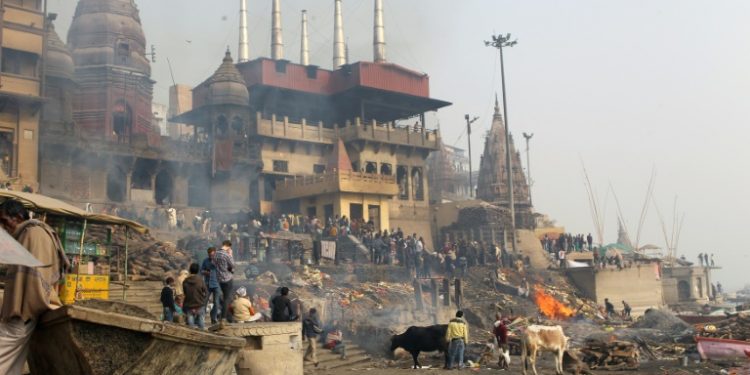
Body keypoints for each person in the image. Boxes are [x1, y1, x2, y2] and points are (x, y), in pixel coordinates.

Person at [0, 200, 67, 375]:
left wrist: (28, 310)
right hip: (20, 313)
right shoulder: (26, 234)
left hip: (23, 314)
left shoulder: (34, 234)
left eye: (4, 221)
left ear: (17, 217)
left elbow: (36, 278)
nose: (4, 227)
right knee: (11, 364)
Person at [182, 263, 208, 329]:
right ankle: (202, 337)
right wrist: (203, 299)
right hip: (199, 304)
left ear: (190, 270)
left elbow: (185, 293)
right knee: (201, 322)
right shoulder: (200, 280)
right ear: (198, 270)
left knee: (191, 324)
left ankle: (191, 336)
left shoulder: (185, 281)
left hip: (189, 305)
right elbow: (206, 292)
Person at [200, 247, 222, 324]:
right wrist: (205, 272)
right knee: (204, 301)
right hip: (207, 284)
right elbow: (201, 270)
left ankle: (213, 317)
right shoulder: (205, 261)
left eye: (212, 255)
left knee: (216, 302)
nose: (211, 257)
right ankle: (202, 317)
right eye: (210, 255)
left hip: (216, 284)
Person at [215, 240, 235, 322]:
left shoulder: (216, 254)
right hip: (227, 278)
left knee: (223, 297)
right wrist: (231, 254)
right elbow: (233, 265)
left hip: (219, 279)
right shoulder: (227, 254)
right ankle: (223, 318)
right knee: (227, 299)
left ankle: (223, 316)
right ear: (228, 246)